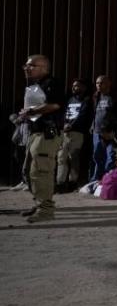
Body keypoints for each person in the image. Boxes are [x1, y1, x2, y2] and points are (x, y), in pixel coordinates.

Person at [18, 55, 64, 223]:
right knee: (28, 171)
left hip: (47, 134)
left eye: (31, 65)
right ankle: (38, 204)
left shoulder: (52, 83)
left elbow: (56, 105)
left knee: (41, 172)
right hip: (35, 132)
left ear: (44, 67)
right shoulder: (35, 85)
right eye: (26, 65)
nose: (27, 68)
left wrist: (30, 112)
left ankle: (46, 210)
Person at [56, 79, 93, 192]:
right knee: (61, 157)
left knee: (74, 158)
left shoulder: (87, 100)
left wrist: (71, 126)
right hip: (65, 132)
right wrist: (64, 125)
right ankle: (60, 183)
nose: (73, 88)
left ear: (83, 88)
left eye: (76, 86)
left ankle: (73, 182)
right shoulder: (70, 100)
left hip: (77, 132)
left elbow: (83, 115)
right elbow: (65, 114)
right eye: (73, 86)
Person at [89, 75, 117, 182]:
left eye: (101, 83)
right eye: (97, 83)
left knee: (111, 156)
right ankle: (96, 179)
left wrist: (112, 130)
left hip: (110, 132)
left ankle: (108, 179)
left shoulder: (113, 97)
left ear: (108, 84)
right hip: (97, 131)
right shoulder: (96, 97)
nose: (99, 85)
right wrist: (92, 126)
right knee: (97, 156)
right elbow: (95, 113)